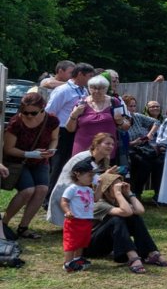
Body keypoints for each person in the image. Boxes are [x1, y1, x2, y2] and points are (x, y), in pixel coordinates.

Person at [86, 172, 167, 273]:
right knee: (117, 219)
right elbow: (126, 212)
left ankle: (151, 253)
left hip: (105, 245)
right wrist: (118, 193)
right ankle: (133, 257)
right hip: (91, 247)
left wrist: (129, 193)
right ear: (105, 190)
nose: (120, 189)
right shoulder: (99, 204)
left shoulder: (117, 201)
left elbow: (140, 211)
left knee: (134, 217)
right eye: (116, 187)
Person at [3, 92, 58, 239]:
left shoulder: (51, 120)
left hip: (40, 161)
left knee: (42, 189)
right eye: (25, 112)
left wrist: (52, 150)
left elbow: (54, 138)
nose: (28, 116)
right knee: (27, 190)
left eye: (33, 113)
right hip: (18, 161)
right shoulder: (16, 123)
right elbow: (8, 149)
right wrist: (29, 154)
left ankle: (24, 227)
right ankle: (3, 224)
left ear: (43, 108)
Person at [47, 133, 118, 229]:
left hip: (82, 192)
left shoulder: (103, 159)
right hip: (68, 194)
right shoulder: (83, 158)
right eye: (107, 143)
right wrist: (106, 175)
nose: (111, 147)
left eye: (112, 144)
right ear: (97, 144)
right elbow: (85, 180)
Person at [45, 62, 94, 183]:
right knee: (58, 165)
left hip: (77, 131)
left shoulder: (85, 91)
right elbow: (49, 112)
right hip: (62, 132)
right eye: (89, 76)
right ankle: (48, 198)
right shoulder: (63, 90)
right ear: (80, 74)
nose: (91, 79)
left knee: (71, 164)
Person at [64, 75, 130, 156]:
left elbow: (126, 127)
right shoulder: (81, 103)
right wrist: (74, 114)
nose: (97, 91)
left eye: (101, 88)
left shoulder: (114, 102)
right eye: (93, 87)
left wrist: (119, 121)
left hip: (106, 149)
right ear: (88, 88)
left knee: (106, 168)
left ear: (107, 88)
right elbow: (70, 129)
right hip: (83, 149)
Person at [60, 159, 96, 272]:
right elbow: (64, 201)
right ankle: (68, 263)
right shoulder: (72, 188)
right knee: (71, 241)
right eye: (89, 175)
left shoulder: (89, 189)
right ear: (78, 174)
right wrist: (67, 211)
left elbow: (96, 198)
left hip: (86, 220)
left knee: (82, 241)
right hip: (74, 220)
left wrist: (100, 186)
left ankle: (77, 258)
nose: (92, 178)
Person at [127, 98, 164, 199]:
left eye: (134, 106)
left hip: (143, 148)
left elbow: (156, 122)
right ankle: (136, 193)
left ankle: (157, 195)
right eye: (130, 106)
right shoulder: (120, 121)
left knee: (158, 163)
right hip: (129, 150)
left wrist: (149, 135)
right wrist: (134, 143)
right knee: (144, 164)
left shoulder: (137, 116)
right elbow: (120, 142)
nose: (133, 108)